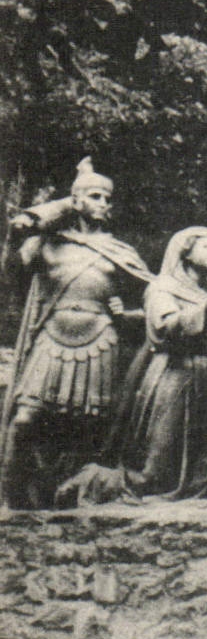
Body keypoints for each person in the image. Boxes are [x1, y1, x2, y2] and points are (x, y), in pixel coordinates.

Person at [1, 158, 152, 509]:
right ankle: (9, 499)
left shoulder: (120, 251)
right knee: (25, 419)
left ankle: (72, 500)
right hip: (51, 339)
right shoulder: (47, 244)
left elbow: (154, 300)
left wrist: (129, 314)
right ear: (76, 200)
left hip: (100, 341)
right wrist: (35, 222)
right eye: (95, 196)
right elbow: (10, 271)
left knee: (89, 426)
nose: (104, 204)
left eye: (107, 198)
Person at [105, 226, 207, 499]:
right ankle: (95, 484)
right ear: (185, 253)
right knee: (157, 467)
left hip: (205, 377)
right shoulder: (161, 287)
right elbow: (164, 329)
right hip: (174, 376)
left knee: (203, 463)